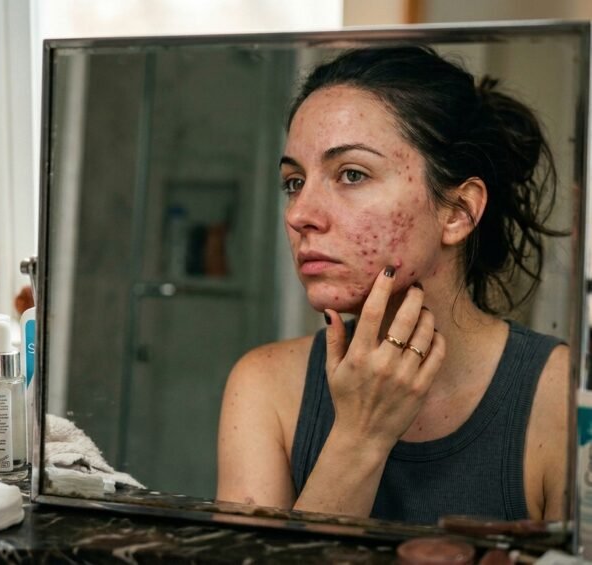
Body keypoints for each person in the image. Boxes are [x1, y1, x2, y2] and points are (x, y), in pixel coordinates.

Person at [216, 45, 568, 524]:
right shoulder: (266, 387)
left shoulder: (562, 396)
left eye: (352, 174)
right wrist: (359, 437)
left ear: (458, 212)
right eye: (294, 182)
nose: (299, 215)